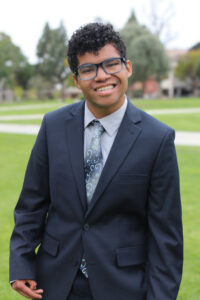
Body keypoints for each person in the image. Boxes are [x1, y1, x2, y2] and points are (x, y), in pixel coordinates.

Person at [10, 23, 183, 300]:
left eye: (111, 64)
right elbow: (31, 205)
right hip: (54, 284)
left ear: (127, 68)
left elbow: (166, 237)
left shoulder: (157, 139)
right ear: (77, 80)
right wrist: (21, 264)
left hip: (122, 286)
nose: (102, 76)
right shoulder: (52, 126)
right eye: (88, 69)